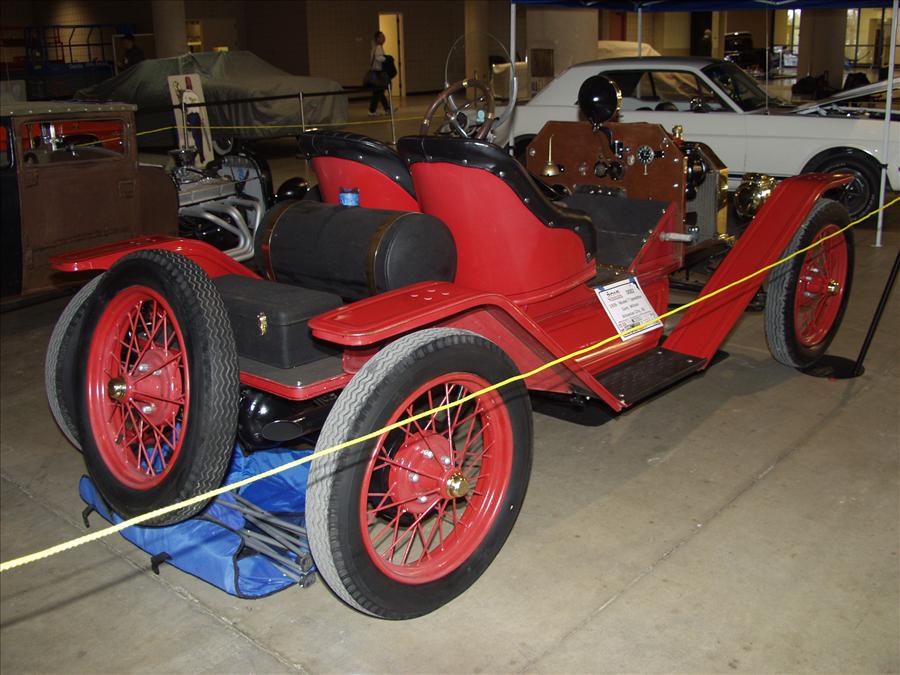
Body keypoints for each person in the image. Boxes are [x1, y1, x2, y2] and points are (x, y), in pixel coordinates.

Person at [368, 31, 390, 117]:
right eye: (381, 37)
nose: (383, 38)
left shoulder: (374, 47)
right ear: (377, 38)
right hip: (378, 72)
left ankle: (384, 109)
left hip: (375, 72)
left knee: (378, 91)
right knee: (378, 91)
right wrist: (386, 59)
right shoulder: (378, 47)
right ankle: (381, 109)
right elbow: (378, 57)